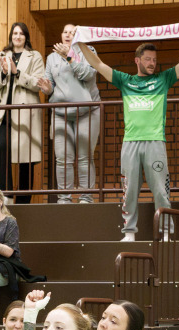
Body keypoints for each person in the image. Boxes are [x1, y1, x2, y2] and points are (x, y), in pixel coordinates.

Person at [78, 37, 179, 242]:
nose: (152, 63)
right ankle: (129, 232)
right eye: (147, 59)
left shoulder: (164, 79)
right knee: (129, 191)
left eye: (154, 59)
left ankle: (165, 233)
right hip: (130, 143)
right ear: (137, 60)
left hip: (155, 142)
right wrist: (80, 43)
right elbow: (98, 64)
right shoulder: (125, 80)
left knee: (161, 191)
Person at [0, 22, 45, 203]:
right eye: (15, 33)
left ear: (26, 37)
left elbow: (38, 83)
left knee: (26, 158)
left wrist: (17, 73)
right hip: (4, 112)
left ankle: (24, 200)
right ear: (11, 36)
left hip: (25, 112)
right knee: (0, 147)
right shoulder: (2, 55)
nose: (17, 37)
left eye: (21, 34)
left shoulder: (35, 56)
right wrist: (3, 73)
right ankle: (7, 194)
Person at [41, 24, 101, 204]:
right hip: (61, 113)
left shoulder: (89, 51)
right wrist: (47, 88)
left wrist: (69, 56)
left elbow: (88, 75)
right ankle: (64, 199)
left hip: (87, 111)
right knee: (63, 158)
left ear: (79, 35)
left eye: (72, 32)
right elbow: (50, 84)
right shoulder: (52, 57)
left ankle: (85, 198)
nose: (68, 35)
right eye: (65, 32)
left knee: (84, 157)